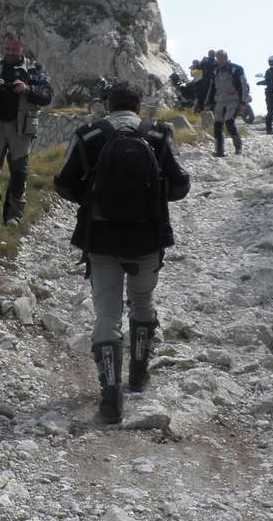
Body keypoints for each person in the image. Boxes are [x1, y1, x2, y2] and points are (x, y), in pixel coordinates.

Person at [53, 83, 191, 424]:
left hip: (101, 240)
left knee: (107, 315)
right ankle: (139, 375)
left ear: (107, 106)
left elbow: (63, 183)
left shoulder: (88, 134)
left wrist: (93, 196)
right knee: (143, 302)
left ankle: (111, 397)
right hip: (147, 239)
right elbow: (180, 185)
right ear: (138, 106)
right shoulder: (159, 134)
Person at [0, 33, 52, 226]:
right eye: (7, 49)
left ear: (22, 48)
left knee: (19, 174)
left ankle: (13, 216)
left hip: (21, 129)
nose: (11, 52)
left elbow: (47, 96)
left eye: (14, 49)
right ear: (3, 47)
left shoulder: (34, 70)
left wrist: (27, 89)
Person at [203, 49, 249, 156]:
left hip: (233, 100)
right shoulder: (216, 71)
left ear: (226, 57)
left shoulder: (236, 69)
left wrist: (243, 102)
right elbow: (212, 88)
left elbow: (243, 85)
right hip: (220, 101)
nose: (219, 60)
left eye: (221, 58)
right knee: (217, 125)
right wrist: (207, 103)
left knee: (229, 122)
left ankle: (238, 147)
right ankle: (219, 151)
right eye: (218, 58)